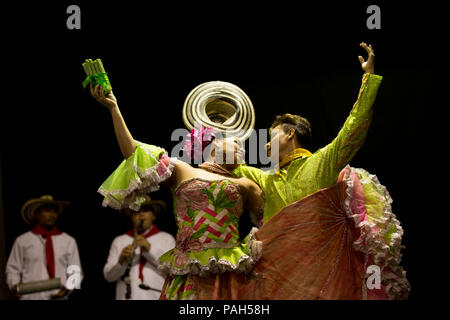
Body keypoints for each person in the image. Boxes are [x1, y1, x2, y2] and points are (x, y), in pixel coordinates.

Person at [229, 43, 410, 299]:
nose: (266, 144)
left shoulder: (322, 162)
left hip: (323, 279)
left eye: (271, 136)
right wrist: (214, 133)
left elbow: (353, 128)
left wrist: (368, 79)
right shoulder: (263, 177)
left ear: (291, 133)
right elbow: (227, 168)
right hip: (276, 279)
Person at [90, 79, 265, 300]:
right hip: (188, 273)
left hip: (229, 274)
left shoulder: (246, 184)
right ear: (215, 142)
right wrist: (113, 107)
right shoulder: (182, 170)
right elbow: (132, 150)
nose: (243, 149)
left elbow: (271, 227)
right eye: (237, 143)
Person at [5, 195, 83, 300]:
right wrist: (14, 286)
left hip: (58, 296)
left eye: (55, 211)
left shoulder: (68, 241)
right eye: (47, 210)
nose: (52, 215)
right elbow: (12, 268)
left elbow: (76, 271)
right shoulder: (22, 241)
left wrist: (68, 288)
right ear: (36, 214)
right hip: (30, 297)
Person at [103, 195, 175, 300]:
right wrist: (121, 260)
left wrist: (150, 250)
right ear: (131, 216)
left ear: (153, 215)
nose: (141, 215)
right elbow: (109, 277)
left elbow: (173, 270)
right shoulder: (120, 240)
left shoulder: (166, 239)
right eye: (137, 211)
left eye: (145, 210)